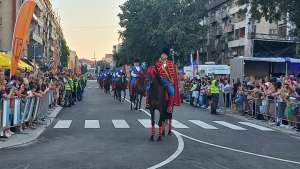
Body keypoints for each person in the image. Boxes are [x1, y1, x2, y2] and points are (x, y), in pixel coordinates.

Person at [155, 48, 180, 113]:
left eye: (164, 55)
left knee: (172, 91)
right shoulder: (158, 63)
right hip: (160, 80)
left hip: (167, 81)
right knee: (150, 88)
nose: (162, 56)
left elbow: (173, 73)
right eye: (162, 54)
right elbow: (156, 72)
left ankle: (170, 106)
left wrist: (172, 81)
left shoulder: (171, 63)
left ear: (167, 56)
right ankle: (150, 103)